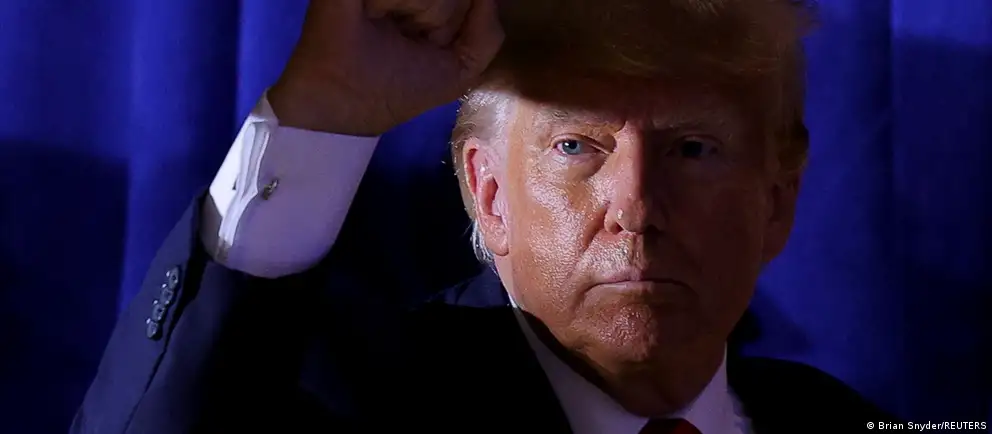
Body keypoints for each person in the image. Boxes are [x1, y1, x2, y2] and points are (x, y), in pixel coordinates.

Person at [72, 0, 901, 433]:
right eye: (576, 146)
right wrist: (324, 112)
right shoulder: (347, 404)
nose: (637, 208)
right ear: (489, 194)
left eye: (692, 149)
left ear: (777, 201)